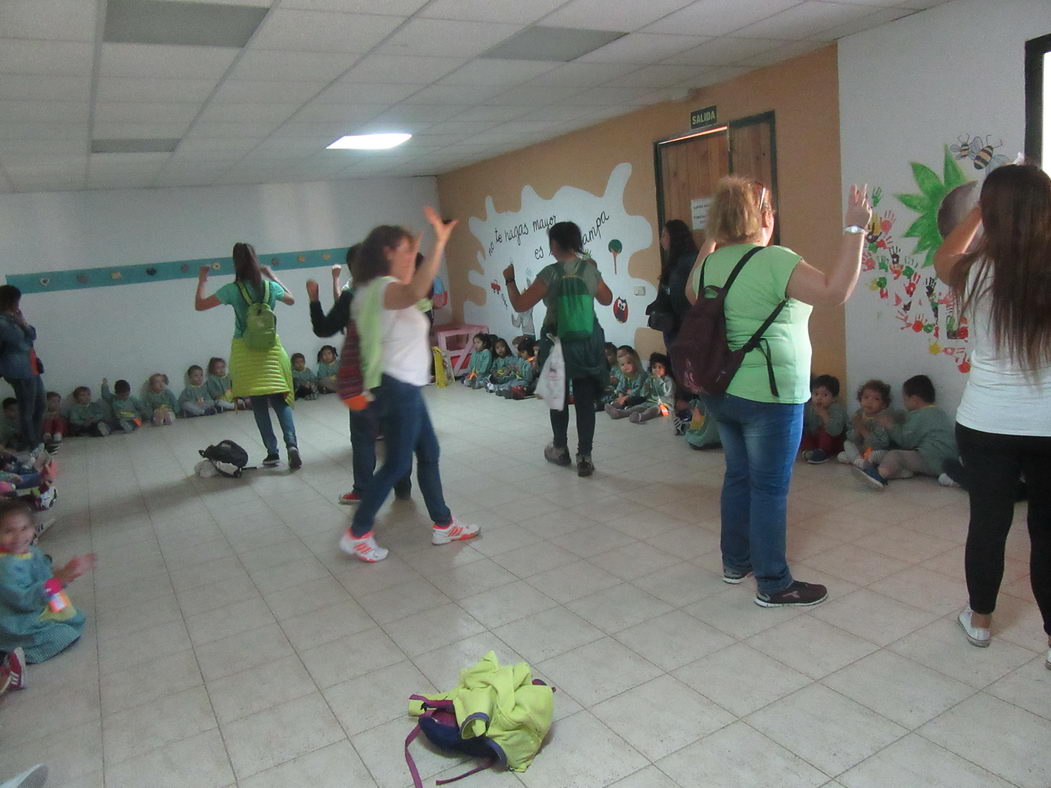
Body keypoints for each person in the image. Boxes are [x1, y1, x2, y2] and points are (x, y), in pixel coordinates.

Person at [685, 176, 872, 607]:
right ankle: (773, 583)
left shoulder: (711, 262)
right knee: (769, 487)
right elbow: (835, 291)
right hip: (769, 395)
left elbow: (692, 291)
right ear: (763, 216)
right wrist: (854, 229)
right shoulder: (774, 261)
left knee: (738, 475)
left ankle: (736, 563)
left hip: (721, 391)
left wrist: (711, 241)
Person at [933, 163, 1051, 661]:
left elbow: (944, 255)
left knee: (988, 523)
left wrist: (982, 208)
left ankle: (980, 621)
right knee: (1046, 532)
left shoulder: (975, 269)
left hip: (985, 423)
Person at [339, 208, 479, 562]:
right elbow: (418, 287)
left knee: (428, 453)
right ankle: (358, 531)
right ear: (388, 254)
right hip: (395, 388)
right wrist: (441, 242)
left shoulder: (382, 290)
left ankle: (444, 524)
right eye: (405, 251)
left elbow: (418, 291)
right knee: (398, 464)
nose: (411, 258)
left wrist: (422, 251)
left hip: (407, 388)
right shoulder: (382, 290)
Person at [505, 222, 613, 477]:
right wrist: (594, 275)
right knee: (585, 401)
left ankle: (560, 448)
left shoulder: (550, 273)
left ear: (554, 244)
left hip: (556, 343)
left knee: (558, 398)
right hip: (587, 342)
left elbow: (520, 305)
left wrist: (509, 279)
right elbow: (607, 299)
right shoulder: (589, 269)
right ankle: (585, 456)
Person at [307, 245, 413, 506]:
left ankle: (363, 489)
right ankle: (402, 485)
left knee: (363, 436)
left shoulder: (352, 296)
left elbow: (323, 328)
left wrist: (313, 299)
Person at [196, 243, 301, 470]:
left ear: (236, 263)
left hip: (245, 352)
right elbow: (292, 299)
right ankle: (292, 445)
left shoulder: (232, 290)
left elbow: (200, 305)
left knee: (260, 404)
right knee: (280, 399)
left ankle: (272, 453)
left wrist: (202, 279)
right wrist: (272, 275)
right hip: (272, 350)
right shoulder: (270, 287)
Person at [0, 499, 94, 664]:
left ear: (33, 528)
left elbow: (44, 573)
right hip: (15, 621)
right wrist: (59, 579)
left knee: (72, 618)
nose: (18, 536)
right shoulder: (5, 565)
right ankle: (9, 657)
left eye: (24, 528)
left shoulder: (29, 551)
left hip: (38, 604)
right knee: (64, 636)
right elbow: (24, 600)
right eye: (9, 531)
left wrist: (61, 573)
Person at [855, 374, 957, 490]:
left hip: (932, 459)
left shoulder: (920, 415)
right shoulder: (938, 412)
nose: (904, 403)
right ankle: (899, 472)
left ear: (914, 400)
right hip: (949, 459)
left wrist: (891, 426)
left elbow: (905, 441)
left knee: (896, 455)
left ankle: (878, 476)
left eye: (905, 400)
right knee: (901, 459)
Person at [0, 286, 45, 453]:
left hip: (31, 365)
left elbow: (32, 335)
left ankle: (34, 441)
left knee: (40, 405)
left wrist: (22, 322)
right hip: (17, 369)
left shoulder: (14, 318)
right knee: (28, 409)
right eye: (17, 300)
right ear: (10, 301)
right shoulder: (2, 322)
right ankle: (31, 444)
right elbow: (22, 341)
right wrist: (21, 326)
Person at [647, 219, 699, 349]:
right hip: (678, 328)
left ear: (674, 237)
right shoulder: (677, 260)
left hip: (683, 329)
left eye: (664, 235)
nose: (661, 240)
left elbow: (679, 300)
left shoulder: (685, 262)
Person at [839, 379, 894, 469]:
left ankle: (860, 461)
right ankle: (859, 460)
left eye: (876, 399)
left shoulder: (882, 419)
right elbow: (851, 438)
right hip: (861, 450)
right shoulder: (857, 415)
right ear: (860, 400)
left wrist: (863, 430)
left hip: (874, 450)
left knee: (882, 454)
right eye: (866, 397)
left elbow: (883, 443)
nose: (869, 401)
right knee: (846, 444)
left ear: (883, 404)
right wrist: (857, 430)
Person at [800, 374, 847, 464]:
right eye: (816, 394)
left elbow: (835, 431)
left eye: (825, 395)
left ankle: (823, 452)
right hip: (816, 438)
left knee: (825, 432)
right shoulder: (810, 407)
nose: (819, 398)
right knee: (805, 435)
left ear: (833, 398)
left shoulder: (836, 409)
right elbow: (805, 425)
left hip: (834, 440)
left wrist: (824, 414)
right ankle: (809, 451)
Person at [604, 348, 651, 420]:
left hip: (639, 396)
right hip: (627, 396)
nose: (626, 366)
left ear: (635, 362)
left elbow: (638, 390)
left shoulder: (641, 375)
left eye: (629, 363)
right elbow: (620, 388)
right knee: (614, 397)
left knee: (634, 400)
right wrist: (620, 397)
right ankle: (615, 407)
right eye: (622, 365)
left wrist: (625, 397)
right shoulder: (624, 376)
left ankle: (623, 408)